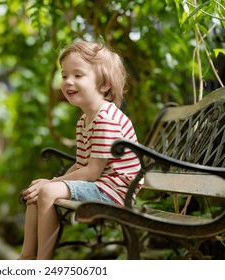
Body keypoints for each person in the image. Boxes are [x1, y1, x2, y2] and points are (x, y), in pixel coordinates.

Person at [18, 40, 141, 260]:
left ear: (103, 84)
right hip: (100, 185)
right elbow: (81, 165)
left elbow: (92, 172)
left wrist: (52, 184)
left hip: (116, 192)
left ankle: (42, 264)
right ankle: (26, 257)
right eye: (64, 76)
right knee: (38, 190)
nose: (68, 82)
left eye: (78, 75)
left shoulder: (106, 119)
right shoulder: (85, 120)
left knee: (46, 190)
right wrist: (52, 181)